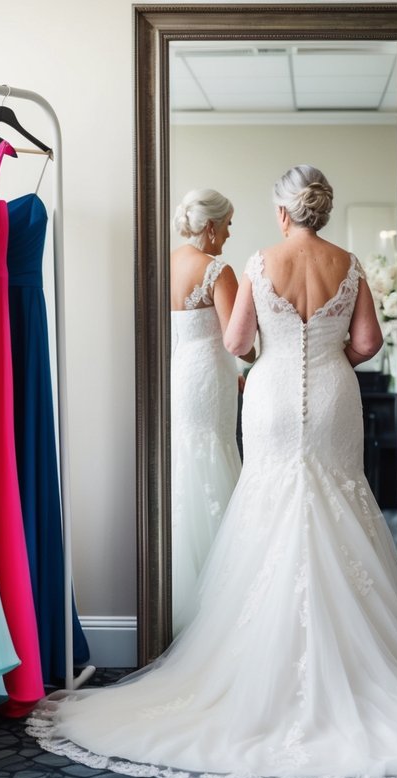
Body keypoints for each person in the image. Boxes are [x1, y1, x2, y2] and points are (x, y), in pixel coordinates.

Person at [28, 166, 397, 778]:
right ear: (321, 210)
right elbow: (369, 343)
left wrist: (272, 351)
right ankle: (355, 669)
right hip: (334, 395)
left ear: (283, 213)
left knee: (268, 504)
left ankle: (261, 665)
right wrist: (332, 353)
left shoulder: (258, 261)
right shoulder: (349, 263)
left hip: (272, 394)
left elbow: (236, 341)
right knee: (340, 505)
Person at [168, 188, 243, 635]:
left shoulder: (170, 262)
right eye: (228, 225)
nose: (229, 234)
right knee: (214, 451)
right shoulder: (218, 270)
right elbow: (239, 340)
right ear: (211, 226)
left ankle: (181, 589)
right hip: (211, 376)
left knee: (186, 459)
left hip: (181, 372)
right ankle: (219, 593)